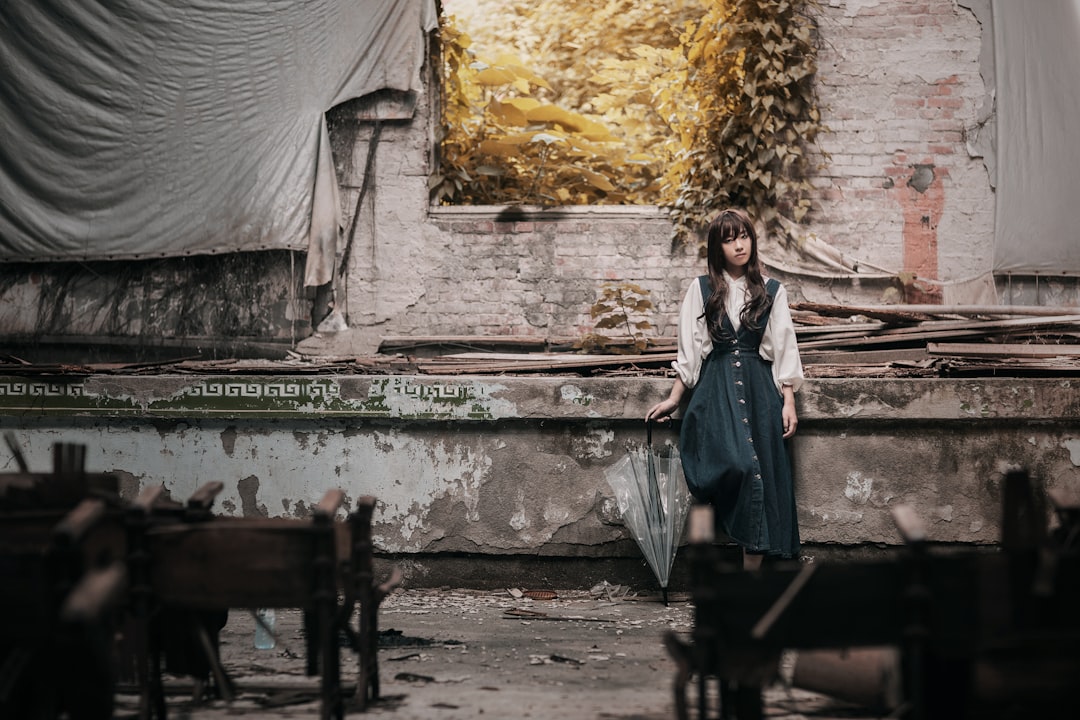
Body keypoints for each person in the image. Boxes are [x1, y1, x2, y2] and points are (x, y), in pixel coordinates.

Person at [646, 208, 804, 570]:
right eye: (729, 239)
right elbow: (690, 349)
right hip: (715, 392)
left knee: (760, 475)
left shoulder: (772, 291)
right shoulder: (701, 289)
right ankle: (709, 568)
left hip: (760, 392)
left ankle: (750, 583)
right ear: (717, 247)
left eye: (744, 236)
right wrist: (674, 397)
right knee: (736, 466)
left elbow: (784, 347)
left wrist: (789, 400)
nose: (739, 245)